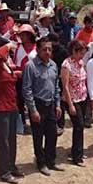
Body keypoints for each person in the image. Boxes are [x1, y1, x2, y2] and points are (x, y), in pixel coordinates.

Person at [0, 35, 24, 184]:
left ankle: (11, 166)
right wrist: (9, 44)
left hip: (11, 106)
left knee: (12, 139)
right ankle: (5, 172)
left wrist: (15, 74)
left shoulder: (4, 63)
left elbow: (9, 75)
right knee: (3, 141)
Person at [22, 37, 63, 176]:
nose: (47, 52)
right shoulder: (30, 66)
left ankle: (51, 161)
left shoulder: (53, 65)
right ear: (38, 50)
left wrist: (57, 105)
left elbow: (56, 86)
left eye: (49, 49)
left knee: (52, 134)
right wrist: (32, 110)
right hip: (38, 104)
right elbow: (27, 90)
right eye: (44, 49)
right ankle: (41, 163)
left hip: (50, 104)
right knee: (38, 136)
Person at [61, 39, 88, 166]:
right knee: (79, 125)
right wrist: (70, 104)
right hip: (72, 99)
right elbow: (65, 86)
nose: (82, 56)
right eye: (80, 53)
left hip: (82, 98)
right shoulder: (66, 65)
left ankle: (77, 151)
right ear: (74, 51)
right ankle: (77, 157)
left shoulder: (81, 63)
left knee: (79, 127)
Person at [14, 24, 37, 134]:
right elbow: (15, 62)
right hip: (19, 79)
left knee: (33, 102)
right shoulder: (18, 48)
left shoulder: (36, 48)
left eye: (24, 35)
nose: (22, 37)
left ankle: (35, 123)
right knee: (19, 102)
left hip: (33, 80)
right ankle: (21, 124)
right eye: (21, 35)